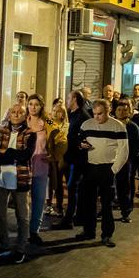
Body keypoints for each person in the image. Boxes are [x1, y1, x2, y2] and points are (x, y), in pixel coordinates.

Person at [74, 99, 129, 246]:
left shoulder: (118, 127)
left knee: (106, 204)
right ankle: (88, 231)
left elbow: (124, 152)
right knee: (88, 202)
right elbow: (79, 141)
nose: (97, 117)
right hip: (91, 167)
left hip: (108, 168)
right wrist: (81, 144)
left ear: (108, 111)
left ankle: (107, 234)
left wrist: (113, 170)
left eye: (100, 114)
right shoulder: (87, 124)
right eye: (94, 113)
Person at [0, 104, 36, 263]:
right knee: (0, 215)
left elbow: (27, 154)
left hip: (21, 179)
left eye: (20, 113)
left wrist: (7, 152)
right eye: (13, 112)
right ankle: (4, 245)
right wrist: (12, 155)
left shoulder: (31, 134)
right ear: (9, 115)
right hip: (1, 179)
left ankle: (21, 248)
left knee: (22, 216)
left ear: (25, 116)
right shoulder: (0, 132)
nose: (16, 115)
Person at [54, 91, 91, 230]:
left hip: (78, 159)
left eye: (69, 98)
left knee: (72, 187)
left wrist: (74, 143)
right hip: (68, 157)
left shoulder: (83, 116)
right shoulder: (71, 115)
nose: (67, 100)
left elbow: (84, 139)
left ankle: (70, 218)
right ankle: (73, 216)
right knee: (71, 187)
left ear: (75, 99)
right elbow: (58, 128)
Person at [24, 94, 50, 246]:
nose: (33, 107)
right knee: (22, 202)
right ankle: (24, 230)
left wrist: (54, 153)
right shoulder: (22, 120)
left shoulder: (47, 121)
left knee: (39, 200)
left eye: (36, 104)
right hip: (24, 167)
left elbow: (60, 135)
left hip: (41, 165)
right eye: (30, 104)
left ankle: (34, 231)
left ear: (41, 106)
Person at [116, 100, 139, 224]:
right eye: (119, 110)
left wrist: (129, 158)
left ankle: (126, 211)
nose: (122, 112)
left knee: (126, 187)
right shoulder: (111, 124)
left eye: (124, 110)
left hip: (126, 162)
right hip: (111, 161)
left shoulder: (132, 127)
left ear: (129, 111)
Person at [46, 103, 69, 217]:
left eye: (59, 111)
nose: (55, 113)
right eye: (54, 110)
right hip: (51, 156)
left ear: (63, 114)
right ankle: (48, 204)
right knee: (50, 182)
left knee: (59, 183)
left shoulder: (67, 125)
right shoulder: (50, 122)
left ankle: (59, 206)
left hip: (62, 158)